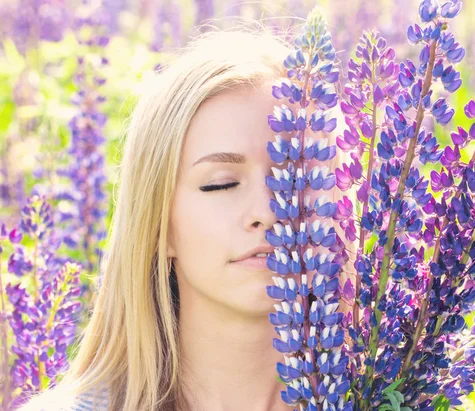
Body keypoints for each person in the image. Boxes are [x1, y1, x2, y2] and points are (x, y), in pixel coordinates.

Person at [18, 21, 356, 411]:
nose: (267, 212)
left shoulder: (397, 391)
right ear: (160, 227)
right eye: (222, 184)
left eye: (299, 177)